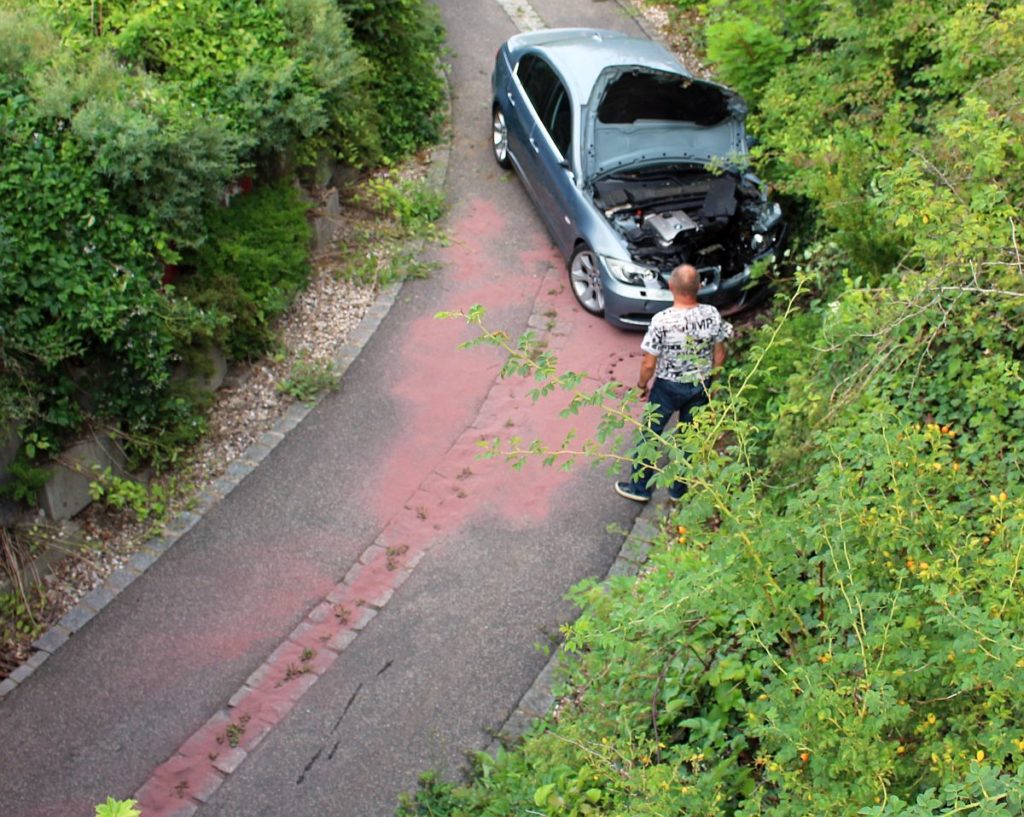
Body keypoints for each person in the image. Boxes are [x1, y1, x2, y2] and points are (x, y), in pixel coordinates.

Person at [614, 264, 732, 503]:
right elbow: (719, 354)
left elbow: (649, 363)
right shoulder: (711, 314)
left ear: (670, 287)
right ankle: (679, 490)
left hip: (667, 387)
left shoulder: (662, 321)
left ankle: (640, 488)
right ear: (699, 286)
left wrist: (641, 386)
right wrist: (712, 382)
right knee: (689, 439)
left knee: (650, 435)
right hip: (700, 384)